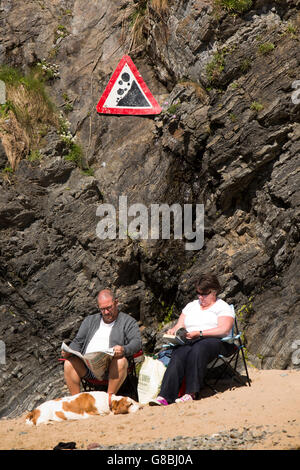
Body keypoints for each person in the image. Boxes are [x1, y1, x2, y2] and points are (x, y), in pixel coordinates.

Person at [149, 274, 235, 406]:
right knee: (178, 353)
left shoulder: (222, 307)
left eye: (204, 294)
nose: (200, 297)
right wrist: (174, 330)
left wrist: (200, 333)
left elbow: (224, 330)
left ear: (214, 291)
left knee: (198, 349)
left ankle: (191, 393)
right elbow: (180, 324)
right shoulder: (192, 306)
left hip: (215, 340)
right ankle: (165, 396)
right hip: (191, 338)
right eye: (198, 293)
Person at [62, 289, 142, 395]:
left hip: (112, 369)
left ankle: (109, 398)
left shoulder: (128, 321)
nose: (106, 312)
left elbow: (137, 343)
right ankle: (77, 403)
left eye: (109, 308)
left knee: (120, 361)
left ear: (116, 302)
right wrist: (69, 351)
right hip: (88, 368)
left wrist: (123, 350)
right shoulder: (89, 321)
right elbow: (78, 342)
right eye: (102, 309)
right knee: (68, 363)